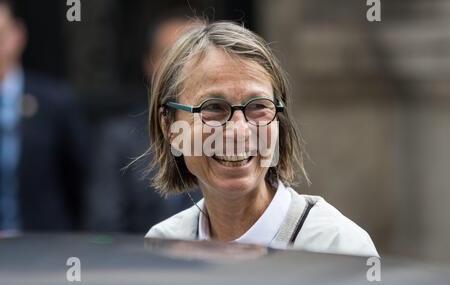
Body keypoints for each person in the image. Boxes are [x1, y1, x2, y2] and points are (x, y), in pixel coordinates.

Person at [144, 21, 379, 257]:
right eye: (214, 107)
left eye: (258, 106)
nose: (238, 130)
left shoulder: (337, 249)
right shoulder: (163, 247)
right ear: (170, 126)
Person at [84, 15, 201, 232]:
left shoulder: (233, 131)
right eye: (173, 58)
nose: (185, 69)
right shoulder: (117, 138)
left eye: (196, 58)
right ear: (150, 64)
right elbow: (105, 227)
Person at [0, 0, 87, 233]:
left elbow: (77, 179)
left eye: (1, 36)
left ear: (18, 35)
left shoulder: (54, 103)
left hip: (43, 248)